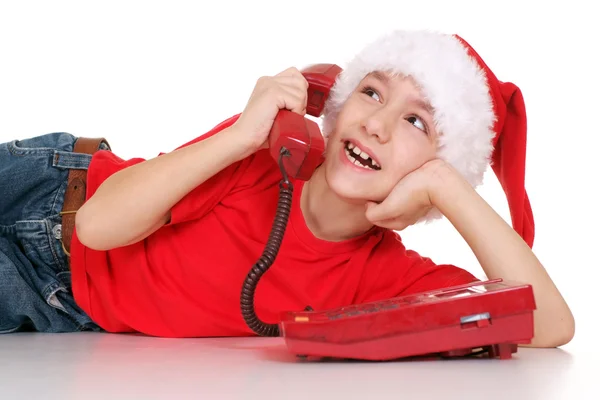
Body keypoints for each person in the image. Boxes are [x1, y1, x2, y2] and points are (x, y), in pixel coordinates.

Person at [0, 29, 574, 348]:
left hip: (59, 305)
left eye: (416, 122)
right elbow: (98, 227)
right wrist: (242, 135)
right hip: (55, 198)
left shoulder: (387, 278)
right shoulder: (259, 153)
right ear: (337, 101)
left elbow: (549, 324)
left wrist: (449, 188)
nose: (377, 123)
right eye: (371, 93)